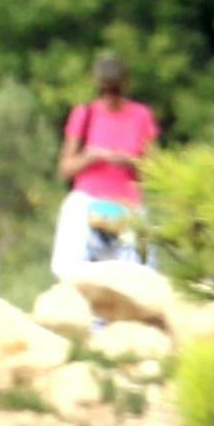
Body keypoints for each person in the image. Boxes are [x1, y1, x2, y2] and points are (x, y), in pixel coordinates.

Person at [52, 52, 157, 276]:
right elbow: (65, 168)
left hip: (127, 203)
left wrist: (130, 162)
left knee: (139, 271)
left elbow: (154, 171)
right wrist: (91, 157)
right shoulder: (85, 114)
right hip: (89, 200)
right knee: (71, 262)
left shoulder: (141, 116)